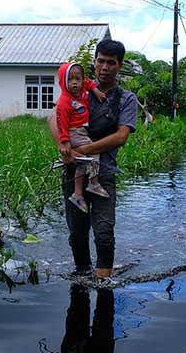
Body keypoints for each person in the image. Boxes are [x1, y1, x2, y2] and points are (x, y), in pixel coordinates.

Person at [48, 40, 138, 279]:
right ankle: (82, 278)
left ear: (119, 66)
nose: (104, 67)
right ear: (95, 61)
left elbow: (121, 136)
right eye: (100, 61)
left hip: (104, 173)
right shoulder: (78, 88)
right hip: (73, 170)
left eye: (111, 62)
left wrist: (86, 150)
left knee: (104, 233)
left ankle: (103, 281)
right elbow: (53, 118)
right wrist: (64, 148)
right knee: (77, 235)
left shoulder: (125, 99)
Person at [54, 61, 109, 213]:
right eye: (70, 80)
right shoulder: (65, 101)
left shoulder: (81, 89)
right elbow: (61, 122)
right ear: (64, 82)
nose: (75, 83)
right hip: (74, 132)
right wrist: (64, 141)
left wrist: (96, 91)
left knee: (82, 163)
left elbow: (88, 82)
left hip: (81, 130)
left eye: (77, 79)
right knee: (94, 153)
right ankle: (93, 182)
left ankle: (78, 194)